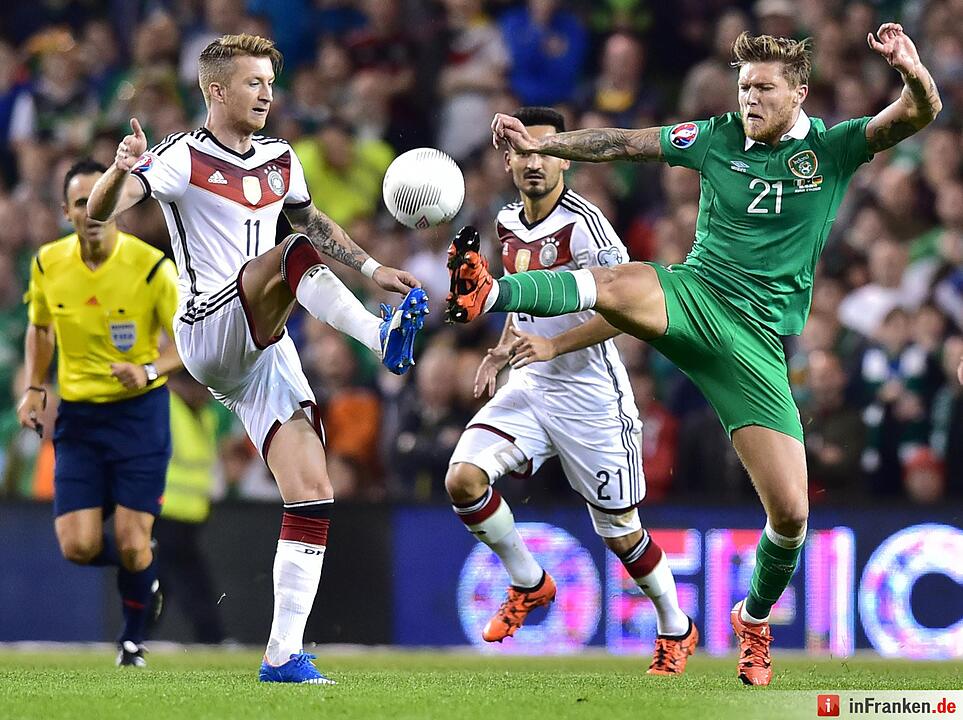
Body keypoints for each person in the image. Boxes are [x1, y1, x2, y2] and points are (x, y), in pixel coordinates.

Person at [448, 25, 941, 685]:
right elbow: (623, 144)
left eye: (763, 87)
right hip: (695, 295)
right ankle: (490, 288)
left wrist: (909, 69)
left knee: (790, 515)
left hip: (755, 347)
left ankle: (753, 619)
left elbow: (920, 112)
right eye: (743, 87)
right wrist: (545, 143)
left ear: (797, 92)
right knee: (621, 282)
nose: (749, 99)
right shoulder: (713, 138)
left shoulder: (832, 148)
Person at [86, 33, 429, 684]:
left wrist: (374, 265)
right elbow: (107, 211)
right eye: (253, 83)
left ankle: (281, 655)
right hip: (207, 327)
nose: (267, 93)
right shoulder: (182, 156)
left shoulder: (281, 159)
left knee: (311, 490)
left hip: (262, 346)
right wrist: (118, 169)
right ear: (215, 91)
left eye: (270, 82)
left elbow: (313, 219)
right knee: (284, 255)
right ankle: (379, 338)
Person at [446, 107, 696, 675]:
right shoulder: (506, 220)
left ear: (568, 157)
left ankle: (674, 625)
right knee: (463, 479)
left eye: (548, 151)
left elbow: (627, 310)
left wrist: (555, 348)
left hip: (591, 395)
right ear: (509, 160)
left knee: (621, 534)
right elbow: (524, 301)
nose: (536, 162)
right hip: (531, 384)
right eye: (525, 152)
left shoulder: (587, 224)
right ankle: (529, 583)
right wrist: (504, 346)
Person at [17, 159, 183, 667]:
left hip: (139, 415)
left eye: (100, 201)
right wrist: (34, 386)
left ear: (117, 206)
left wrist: (150, 371)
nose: (92, 211)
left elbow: (188, 346)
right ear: (66, 212)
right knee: (78, 547)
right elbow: (41, 326)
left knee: (132, 544)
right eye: (81, 203)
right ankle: (147, 571)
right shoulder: (47, 264)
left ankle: (131, 641)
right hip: (81, 420)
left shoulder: (152, 268)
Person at [152, 371, 226, 645]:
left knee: (162, 583)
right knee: (192, 581)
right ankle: (213, 638)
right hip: (164, 512)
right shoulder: (163, 407)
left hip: (189, 516)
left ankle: (135, 636)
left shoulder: (206, 415)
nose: (206, 392)